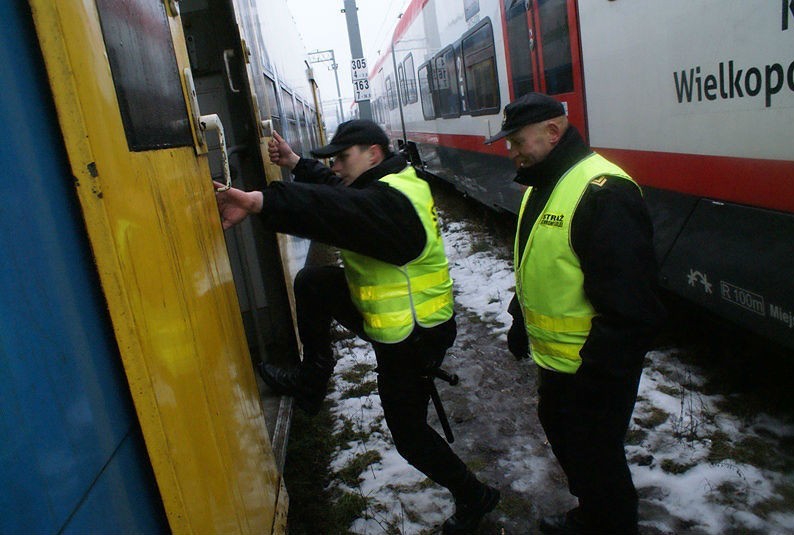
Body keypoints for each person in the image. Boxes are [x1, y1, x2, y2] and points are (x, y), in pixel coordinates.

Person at [215, 120, 499, 533]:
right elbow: (337, 191)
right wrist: (296, 163)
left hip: (413, 334)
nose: (334, 167)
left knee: (409, 435)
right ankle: (313, 379)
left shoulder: (391, 204)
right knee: (313, 282)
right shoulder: (386, 182)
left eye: (342, 158)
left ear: (373, 154)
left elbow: (336, 208)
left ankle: (475, 495)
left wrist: (264, 202)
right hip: (397, 321)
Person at [485, 93, 666, 534]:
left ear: (553, 132)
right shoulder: (542, 184)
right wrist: (520, 319)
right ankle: (591, 516)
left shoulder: (603, 191)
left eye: (517, 141)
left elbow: (631, 308)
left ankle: (610, 523)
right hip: (561, 365)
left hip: (594, 369)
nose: (512, 152)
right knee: (573, 445)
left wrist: (597, 376)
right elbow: (540, 263)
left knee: (599, 460)